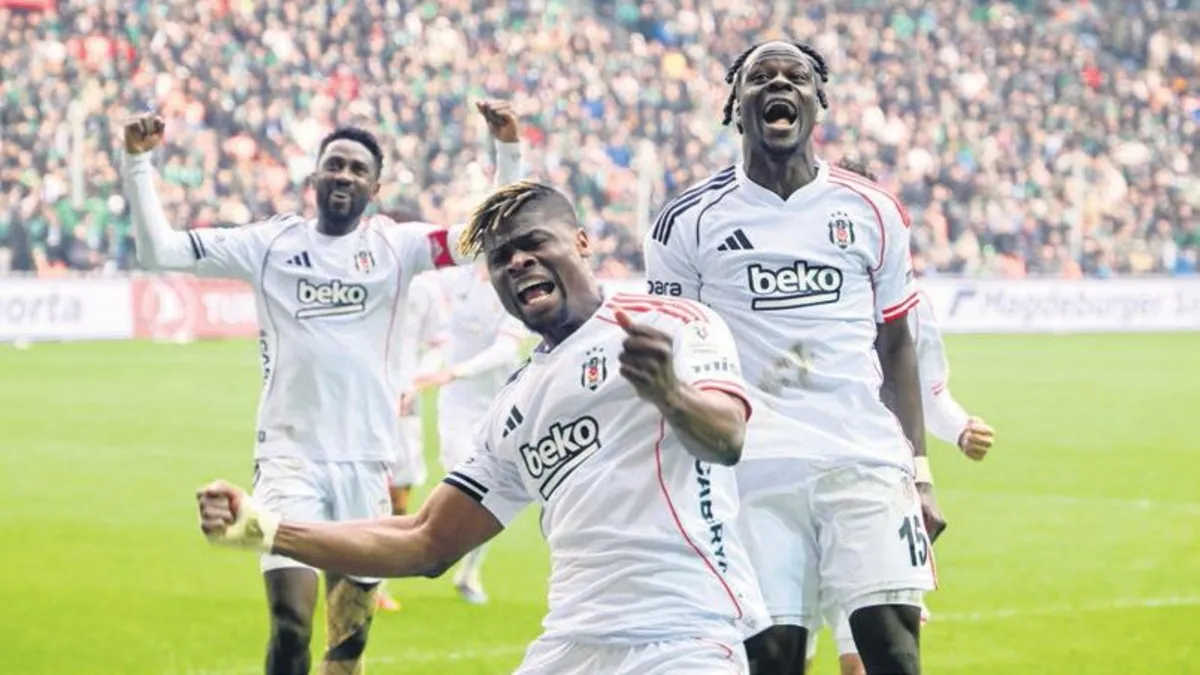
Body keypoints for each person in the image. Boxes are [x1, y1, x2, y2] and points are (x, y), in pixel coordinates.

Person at [196, 180, 769, 674]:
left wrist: (671, 394)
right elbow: (425, 539)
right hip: (569, 644)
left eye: (533, 243)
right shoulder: (515, 406)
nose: (516, 262)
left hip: (683, 637)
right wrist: (266, 529)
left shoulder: (669, 325)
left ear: (581, 242)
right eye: (500, 258)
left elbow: (727, 439)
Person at [123, 101, 523, 674]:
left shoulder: (398, 247)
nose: (344, 175)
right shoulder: (268, 244)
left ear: (375, 188)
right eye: (334, 164)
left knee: (347, 644)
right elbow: (156, 250)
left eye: (358, 169)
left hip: (366, 463)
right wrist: (137, 162)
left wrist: (507, 150)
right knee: (291, 625)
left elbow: (489, 235)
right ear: (314, 176)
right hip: (290, 461)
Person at [642, 40, 943, 675]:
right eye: (760, 76)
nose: (779, 84)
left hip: (864, 460)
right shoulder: (687, 221)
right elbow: (675, 357)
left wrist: (919, 473)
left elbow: (897, 344)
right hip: (752, 470)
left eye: (796, 76)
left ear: (817, 100)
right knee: (773, 661)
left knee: (893, 654)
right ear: (736, 105)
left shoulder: (873, 210)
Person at [799, 158, 997, 675]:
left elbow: (926, 391)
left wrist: (959, 429)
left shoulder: (909, 305)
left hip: (873, 483)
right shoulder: (792, 293)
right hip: (788, 478)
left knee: (864, 660)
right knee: (781, 650)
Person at [411, 261, 528, 604]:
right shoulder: (453, 280)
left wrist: (455, 372)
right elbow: (441, 340)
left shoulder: (514, 282)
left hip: (499, 402)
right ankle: (434, 554)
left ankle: (469, 571)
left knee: (491, 491)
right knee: (467, 484)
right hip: (456, 406)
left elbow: (507, 348)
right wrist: (425, 374)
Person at [377, 262, 451, 613]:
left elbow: (440, 343)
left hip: (404, 401)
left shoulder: (425, 288)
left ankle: (377, 579)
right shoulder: (362, 276)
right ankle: (352, 576)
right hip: (359, 399)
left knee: (399, 493)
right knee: (359, 487)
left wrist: (418, 378)